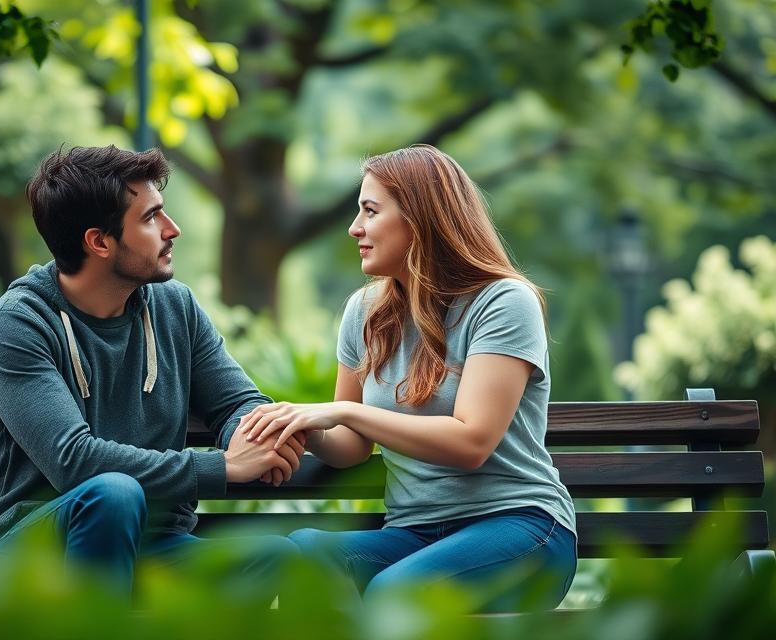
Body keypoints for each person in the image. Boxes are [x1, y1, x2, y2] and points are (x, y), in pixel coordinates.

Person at [240, 144, 577, 612]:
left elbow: (471, 442)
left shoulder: (502, 303)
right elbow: (351, 445)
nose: (354, 228)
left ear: (420, 219)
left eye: (370, 211)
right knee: (306, 553)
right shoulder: (364, 312)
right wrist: (297, 425)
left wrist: (344, 410)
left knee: (396, 594)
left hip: (520, 528)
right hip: (414, 533)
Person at [0, 144, 303, 601]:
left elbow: (236, 401)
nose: (173, 230)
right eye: (151, 219)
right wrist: (223, 466)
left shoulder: (175, 307)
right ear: (100, 242)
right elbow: (76, 462)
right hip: (39, 555)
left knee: (275, 555)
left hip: (157, 548)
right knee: (112, 495)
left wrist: (252, 432)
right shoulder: (17, 325)